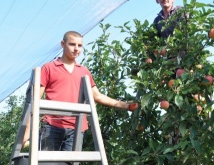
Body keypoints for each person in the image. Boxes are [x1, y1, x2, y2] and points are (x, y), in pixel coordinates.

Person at [22, 31, 135, 164]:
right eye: (72, 44)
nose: (76, 49)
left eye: (80, 45)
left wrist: (126, 105)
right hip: (52, 126)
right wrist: (27, 133)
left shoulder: (84, 71)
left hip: (76, 129)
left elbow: (97, 96)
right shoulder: (49, 68)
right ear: (63, 44)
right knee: (47, 163)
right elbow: (35, 100)